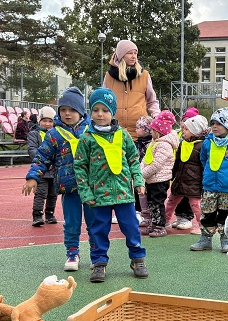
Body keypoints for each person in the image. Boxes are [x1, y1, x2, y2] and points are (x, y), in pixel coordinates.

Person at [73, 88, 148, 283]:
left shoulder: (123, 135)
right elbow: (80, 167)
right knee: (98, 230)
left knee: (131, 227)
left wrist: (138, 181)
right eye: (96, 109)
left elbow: (133, 160)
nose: (100, 114)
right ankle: (99, 263)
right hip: (98, 196)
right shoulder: (87, 138)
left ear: (112, 112)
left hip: (124, 193)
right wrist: (85, 192)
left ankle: (137, 259)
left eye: (105, 110)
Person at [24, 88, 96, 272]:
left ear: (81, 110)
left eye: (71, 109)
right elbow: (42, 157)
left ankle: (97, 255)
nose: (67, 113)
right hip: (69, 188)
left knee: (95, 222)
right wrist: (33, 177)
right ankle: (72, 253)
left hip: (92, 187)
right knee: (71, 223)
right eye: (63, 109)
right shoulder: (53, 135)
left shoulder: (93, 130)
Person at [191, 107, 228, 253]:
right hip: (210, 186)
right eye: (213, 123)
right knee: (207, 213)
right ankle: (206, 239)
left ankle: (226, 239)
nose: (214, 127)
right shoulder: (208, 142)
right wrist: (209, 174)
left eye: (219, 123)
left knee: (226, 214)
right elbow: (204, 159)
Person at [102, 40, 160, 137]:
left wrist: (157, 117)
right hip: (115, 133)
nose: (134, 56)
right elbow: (103, 102)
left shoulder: (144, 75)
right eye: (129, 53)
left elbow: (152, 101)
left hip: (140, 134)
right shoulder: (108, 76)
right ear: (121, 55)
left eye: (135, 53)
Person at [165, 113, 207, 236]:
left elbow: (204, 166)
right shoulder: (183, 143)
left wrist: (203, 182)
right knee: (171, 201)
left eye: (187, 129)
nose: (183, 131)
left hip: (194, 182)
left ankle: (202, 226)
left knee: (196, 205)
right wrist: (172, 176)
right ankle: (164, 221)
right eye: (183, 128)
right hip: (180, 180)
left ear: (195, 131)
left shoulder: (202, 145)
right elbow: (177, 161)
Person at [140, 110, 178, 238]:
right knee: (151, 203)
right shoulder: (154, 143)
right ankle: (153, 224)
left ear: (159, 131)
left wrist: (142, 174)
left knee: (157, 203)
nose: (150, 132)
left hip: (160, 180)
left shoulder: (164, 145)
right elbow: (146, 159)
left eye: (152, 130)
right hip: (151, 180)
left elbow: (156, 165)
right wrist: (140, 171)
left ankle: (160, 226)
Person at [26, 106, 58, 226]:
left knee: (53, 194)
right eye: (44, 121)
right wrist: (44, 161)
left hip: (54, 171)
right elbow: (32, 149)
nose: (47, 124)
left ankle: (50, 213)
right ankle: (37, 215)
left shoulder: (56, 134)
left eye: (50, 121)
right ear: (39, 121)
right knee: (40, 193)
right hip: (41, 170)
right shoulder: (34, 134)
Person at [172, 107, 201, 230]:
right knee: (176, 195)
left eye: (188, 120)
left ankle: (187, 217)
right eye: (183, 120)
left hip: (191, 175)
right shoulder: (178, 134)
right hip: (179, 170)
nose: (184, 123)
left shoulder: (198, 141)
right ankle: (179, 216)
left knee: (189, 197)